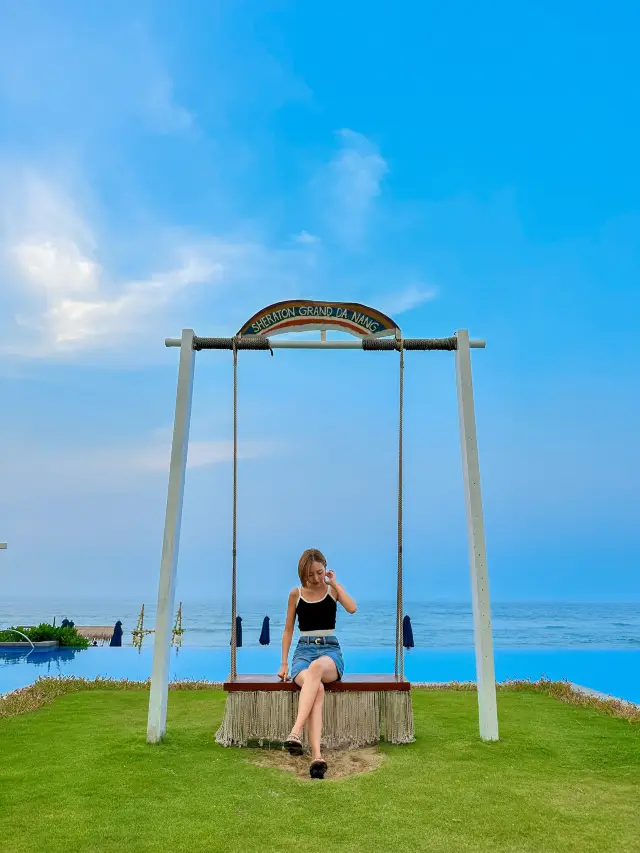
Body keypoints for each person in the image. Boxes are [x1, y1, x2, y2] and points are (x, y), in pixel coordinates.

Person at [278, 547, 357, 779]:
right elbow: (288, 629)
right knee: (317, 688)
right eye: (310, 574)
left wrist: (335, 584)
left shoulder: (332, 590)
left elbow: (352, 608)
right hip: (302, 652)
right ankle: (316, 757)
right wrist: (284, 664)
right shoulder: (296, 594)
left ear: (326, 569)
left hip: (329, 652)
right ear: (302, 573)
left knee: (316, 669)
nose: (315, 578)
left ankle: (295, 731)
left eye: (319, 572)